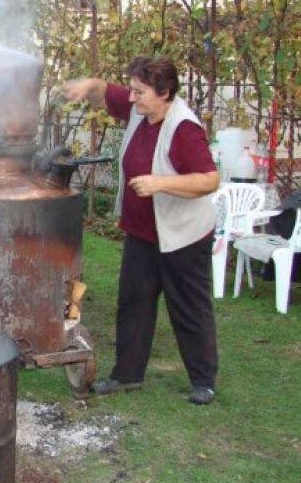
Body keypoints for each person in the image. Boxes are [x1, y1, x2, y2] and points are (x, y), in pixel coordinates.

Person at [63, 56, 220, 405]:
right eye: (132, 90)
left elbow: (210, 180)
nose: (131, 98)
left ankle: (203, 380)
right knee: (133, 303)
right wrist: (87, 85)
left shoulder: (183, 128)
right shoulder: (140, 110)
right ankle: (127, 375)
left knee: (188, 306)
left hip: (182, 235)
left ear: (164, 92)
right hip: (142, 233)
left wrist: (160, 183)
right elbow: (105, 92)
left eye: (139, 92)